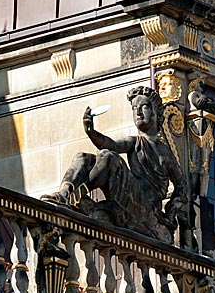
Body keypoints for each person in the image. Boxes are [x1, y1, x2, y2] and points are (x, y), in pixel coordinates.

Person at [43, 86, 187, 244]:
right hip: (131, 195)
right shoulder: (135, 142)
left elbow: (181, 185)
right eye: (134, 108)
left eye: (144, 107)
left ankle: (77, 194)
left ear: (156, 112)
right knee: (83, 158)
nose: (138, 113)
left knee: (109, 157)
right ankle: (64, 194)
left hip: (144, 207)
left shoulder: (165, 153)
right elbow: (110, 144)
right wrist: (91, 131)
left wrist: (170, 214)